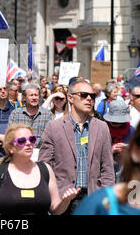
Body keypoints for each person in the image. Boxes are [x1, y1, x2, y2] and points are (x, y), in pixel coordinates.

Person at [38, 79, 115, 214]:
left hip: (92, 199)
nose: (89, 99)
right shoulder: (53, 127)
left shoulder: (101, 127)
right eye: (84, 95)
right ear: (70, 98)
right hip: (63, 200)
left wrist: (105, 196)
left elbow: (107, 167)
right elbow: (45, 167)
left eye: (92, 96)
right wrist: (54, 196)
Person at [0, 123, 80, 215]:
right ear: (10, 148)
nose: (28, 144)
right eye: (22, 141)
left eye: (32, 139)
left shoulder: (46, 169)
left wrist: (65, 201)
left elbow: (56, 210)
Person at [8, 83, 53, 161]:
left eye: (36, 95)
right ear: (24, 98)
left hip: (41, 155)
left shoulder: (47, 114)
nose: (34, 98)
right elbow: (10, 135)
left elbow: (52, 136)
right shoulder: (16, 114)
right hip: (20, 154)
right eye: (31, 95)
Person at [103, 100, 135, 182]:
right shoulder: (102, 129)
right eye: (114, 121)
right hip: (105, 177)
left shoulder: (131, 131)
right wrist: (111, 150)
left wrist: (129, 149)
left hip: (126, 176)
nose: (116, 123)